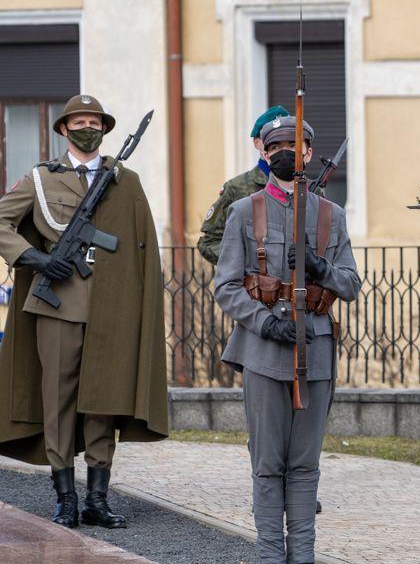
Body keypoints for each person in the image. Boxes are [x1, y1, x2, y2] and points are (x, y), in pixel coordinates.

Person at [0, 94, 168, 529]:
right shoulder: (41, 179)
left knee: (102, 400)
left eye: (94, 122)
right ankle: (66, 497)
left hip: (111, 308)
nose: (87, 128)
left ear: (104, 130)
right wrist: (34, 259)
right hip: (57, 305)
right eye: (79, 122)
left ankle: (97, 498)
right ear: (63, 129)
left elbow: (141, 244)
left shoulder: (124, 181)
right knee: (58, 399)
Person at [215, 115, 361, 563]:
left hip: (315, 351)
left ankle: (303, 556)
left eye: (294, 146)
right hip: (263, 352)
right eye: (276, 146)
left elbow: (351, 285)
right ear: (264, 153)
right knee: (267, 464)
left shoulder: (330, 215)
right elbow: (226, 286)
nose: (285, 153)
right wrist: (264, 323)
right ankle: (269, 556)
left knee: (304, 464)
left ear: (309, 153)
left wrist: (320, 268)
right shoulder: (245, 211)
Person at [197, 105, 323, 265]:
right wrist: (246, 262)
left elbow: (324, 240)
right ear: (257, 143)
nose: (283, 150)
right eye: (273, 142)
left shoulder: (311, 189)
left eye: (291, 143)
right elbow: (209, 241)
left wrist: (314, 262)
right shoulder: (236, 188)